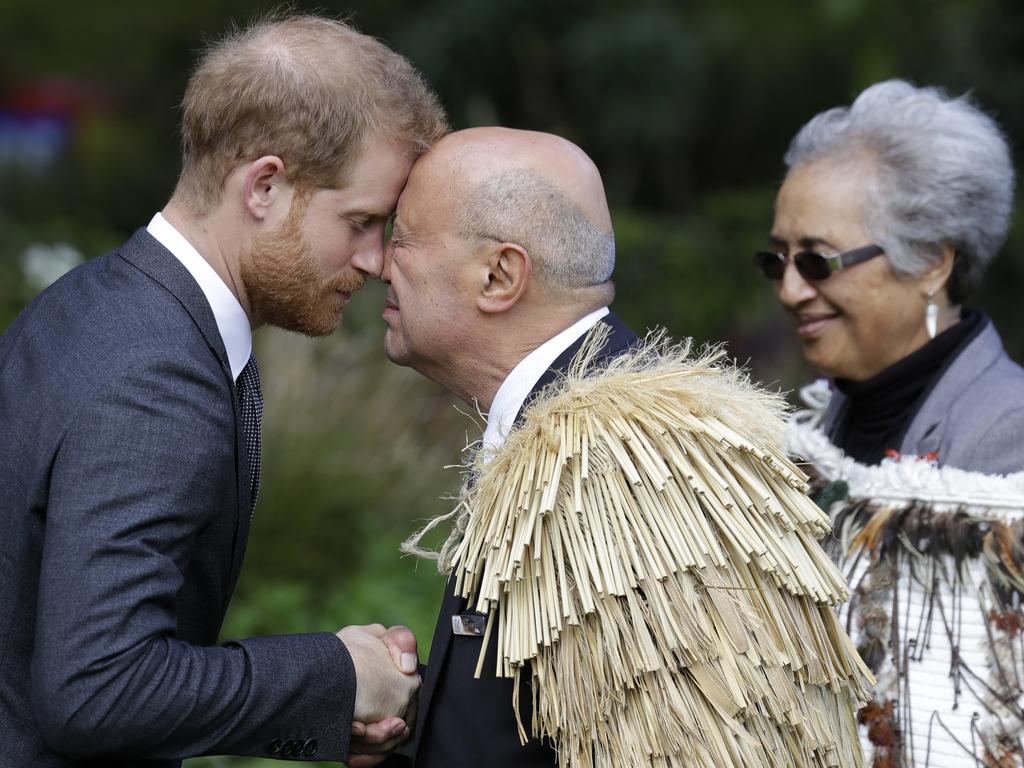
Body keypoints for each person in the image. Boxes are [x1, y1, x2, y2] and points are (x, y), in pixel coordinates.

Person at [0, 14, 446, 768]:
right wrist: (337, 676)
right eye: (362, 222)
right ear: (265, 186)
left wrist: (327, 701)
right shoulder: (157, 377)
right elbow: (98, 689)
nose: (375, 262)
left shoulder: (93, 300)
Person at [380, 127, 873, 767]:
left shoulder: (621, 466)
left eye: (402, 238)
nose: (378, 263)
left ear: (499, 276)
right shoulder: (576, 437)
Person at [759, 80, 1024, 766]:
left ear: (933, 260)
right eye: (777, 260)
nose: (790, 290)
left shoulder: (1009, 435)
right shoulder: (814, 426)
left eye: (818, 260)